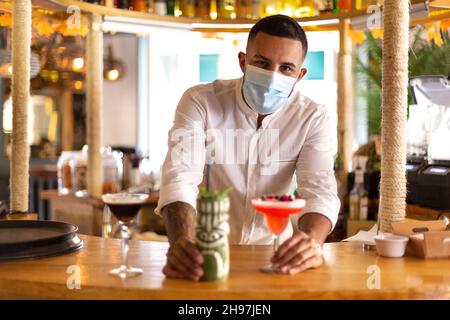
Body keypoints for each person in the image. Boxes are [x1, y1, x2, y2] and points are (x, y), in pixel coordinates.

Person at [155, 15, 340, 281]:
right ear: (243, 61)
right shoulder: (200, 101)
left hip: (276, 258)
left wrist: (311, 242)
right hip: (205, 255)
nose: (272, 76)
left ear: (299, 75)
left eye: (286, 68)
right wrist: (181, 243)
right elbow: (179, 178)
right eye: (262, 63)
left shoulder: (312, 116)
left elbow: (319, 191)